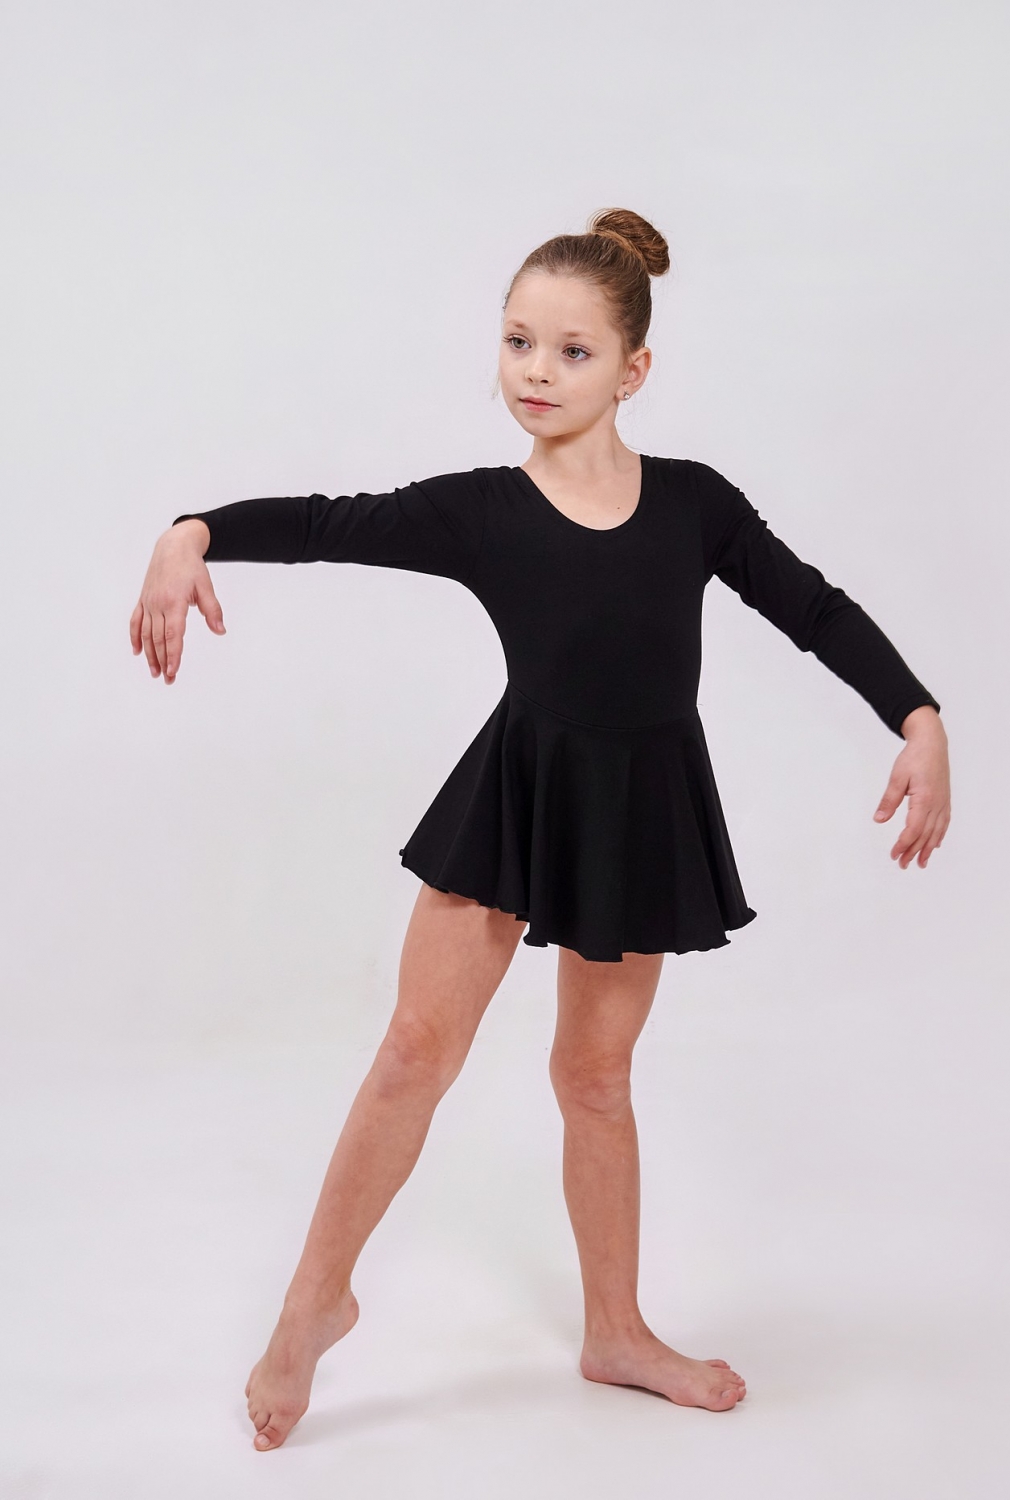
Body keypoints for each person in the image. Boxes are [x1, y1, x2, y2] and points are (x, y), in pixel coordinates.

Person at [129, 208, 950, 1450]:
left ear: (634, 369)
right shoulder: (483, 512)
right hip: (517, 794)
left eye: (572, 351)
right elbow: (328, 523)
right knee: (415, 1049)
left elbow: (814, 608)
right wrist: (192, 531)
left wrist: (917, 715)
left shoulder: (696, 505)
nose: (537, 371)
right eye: (518, 341)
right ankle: (313, 1304)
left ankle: (615, 1330)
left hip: (641, 809)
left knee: (596, 1078)